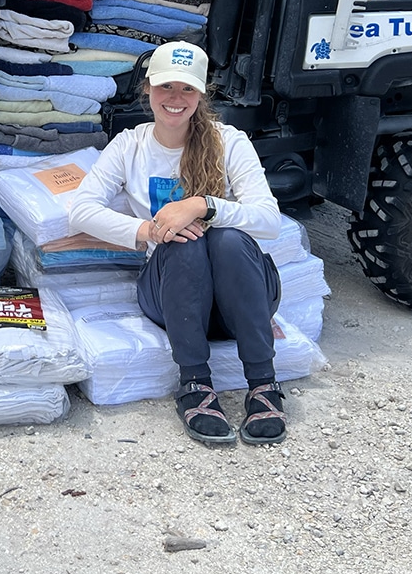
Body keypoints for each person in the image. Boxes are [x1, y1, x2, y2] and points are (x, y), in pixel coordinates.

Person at [68, 41, 287, 446]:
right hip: (177, 299)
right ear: (147, 89)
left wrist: (203, 205)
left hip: (238, 300)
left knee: (227, 240)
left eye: (187, 89)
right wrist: (149, 231)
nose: (175, 98)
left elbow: (269, 219)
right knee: (181, 244)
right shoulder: (130, 146)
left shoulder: (229, 142)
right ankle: (196, 385)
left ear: (202, 94)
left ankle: (263, 384)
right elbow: (80, 210)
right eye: (166, 86)